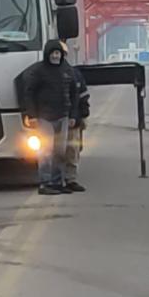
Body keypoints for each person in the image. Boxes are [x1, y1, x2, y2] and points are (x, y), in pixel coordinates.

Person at [22, 40, 80, 195]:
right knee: (46, 152)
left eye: (58, 53)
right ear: (47, 54)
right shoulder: (39, 71)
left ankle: (57, 182)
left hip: (64, 117)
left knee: (60, 152)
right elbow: (29, 93)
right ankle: (45, 183)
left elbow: (75, 93)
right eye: (53, 53)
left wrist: (74, 115)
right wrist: (32, 115)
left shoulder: (67, 70)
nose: (55, 56)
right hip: (45, 118)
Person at [62, 45, 89, 192]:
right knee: (57, 150)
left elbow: (83, 96)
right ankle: (58, 179)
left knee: (73, 149)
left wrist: (83, 115)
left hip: (74, 119)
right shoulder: (47, 73)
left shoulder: (75, 74)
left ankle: (70, 179)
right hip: (55, 118)